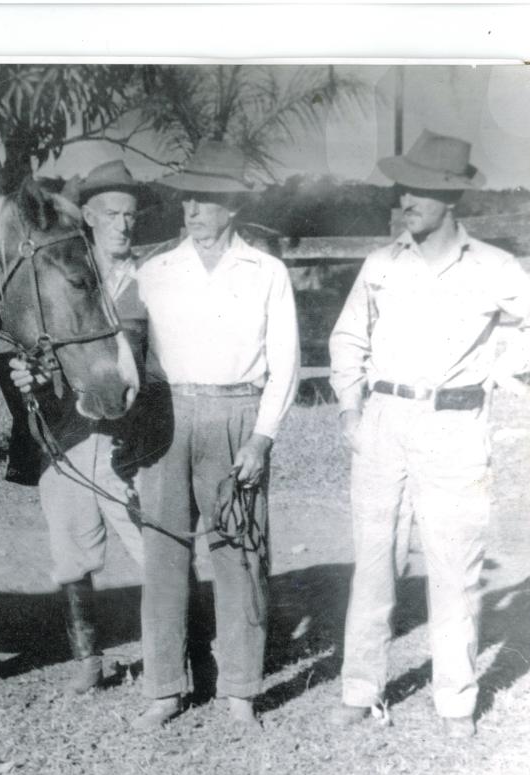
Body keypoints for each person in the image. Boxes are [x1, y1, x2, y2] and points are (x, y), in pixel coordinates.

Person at [328, 130, 530, 739]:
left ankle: (455, 702)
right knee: (373, 562)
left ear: (452, 199)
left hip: (455, 427)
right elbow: (348, 338)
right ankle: (359, 689)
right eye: (402, 188)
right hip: (383, 422)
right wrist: (349, 411)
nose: (405, 200)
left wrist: (505, 366)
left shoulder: (495, 267)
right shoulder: (381, 263)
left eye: (420, 189)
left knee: (454, 566)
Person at [134, 140, 301, 730]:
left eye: (207, 200)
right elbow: (129, 358)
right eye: (188, 199)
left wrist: (261, 439)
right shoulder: (152, 271)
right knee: (162, 553)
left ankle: (239, 690)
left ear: (232, 207)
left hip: (237, 415)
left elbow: (286, 363)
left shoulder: (266, 272)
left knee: (240, 553)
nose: (193, 209)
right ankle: (163, 688)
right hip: (166, 417)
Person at [0, 160, 149, 694]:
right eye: (111, 213)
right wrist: (28, 374)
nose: (123, 225)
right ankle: (89, 660)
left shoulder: (148, 278)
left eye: (131, 214)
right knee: (70, 550)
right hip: (65, 435)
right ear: (88, 217)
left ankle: (174, 649)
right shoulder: (62, 273)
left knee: (148, 542)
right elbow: (26, 347)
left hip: (125, 437)